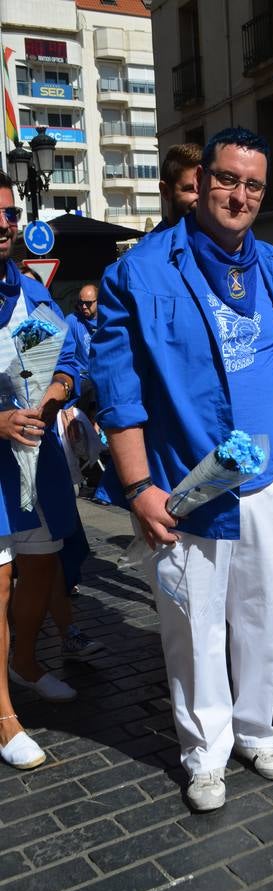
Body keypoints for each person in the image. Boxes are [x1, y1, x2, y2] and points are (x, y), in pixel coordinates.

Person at [90, 127, 273, 811]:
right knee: (194, 629)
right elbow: (119, 392)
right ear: (201, 180)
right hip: (189, 488)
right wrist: (139, 487)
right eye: (228, 179)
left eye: (253, 184)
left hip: (269, 486)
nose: (239, 194)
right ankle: (204, 753)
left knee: (264, 618)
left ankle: (255, 729)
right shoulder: (140, 272)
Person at [0, 171, 80, 770]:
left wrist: (55, 390)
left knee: (41, 566)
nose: (5, 222)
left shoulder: (31, 286)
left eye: (9, 212)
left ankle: (24, 662)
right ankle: (4, 716)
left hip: (38, 459)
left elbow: (71, 354)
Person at [66, 284, 98, 420]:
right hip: (83, 379)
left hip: (102, 376)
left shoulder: (108, 320)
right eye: (80, 303)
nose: (84, 306)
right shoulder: (72, 321)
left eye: (88, 303)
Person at [155, 143, 202, 229]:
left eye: (204, 188)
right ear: (165, 192)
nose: (201, 196)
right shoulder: (153, 242)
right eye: (191, 189)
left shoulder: (224, 238)